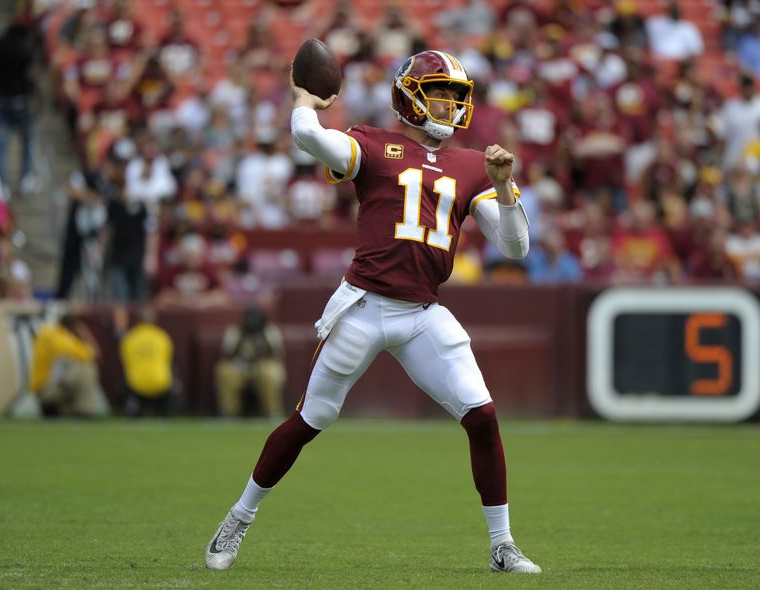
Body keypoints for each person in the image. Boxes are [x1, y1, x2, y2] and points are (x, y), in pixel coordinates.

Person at [204, 50, 540, 575]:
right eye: (440, 94)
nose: (450, 106)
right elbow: (309, 139)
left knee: (483, 416)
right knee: (311, 418)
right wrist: (303, 102)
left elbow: (515, 249)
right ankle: (239, 517)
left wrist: (501, 185)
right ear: (409, 95)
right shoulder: (376, 146)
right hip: (363, 304)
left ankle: (502, 545)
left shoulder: (474, 164)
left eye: (456, 97)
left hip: (423, 312)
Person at [0, 20, 38, 195]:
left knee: (1, 144)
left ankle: (1, 184)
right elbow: (30, 75)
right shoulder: (24, 49)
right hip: (19, 101)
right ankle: (26, 178)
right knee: (27, 141)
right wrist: (38, 96)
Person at [29, 311, 109, 418]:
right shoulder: (57, 337)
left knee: (76, 366)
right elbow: (93, 354)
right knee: (87, 367)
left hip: (45, 389)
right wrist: (85, 334)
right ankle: (83, 410)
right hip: (46, 391)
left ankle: (60, 408)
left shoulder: (48, 332)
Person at [215, 306, 286, 419]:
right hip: (240, 367)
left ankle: (273, 413)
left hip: (263, 365)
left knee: (271, 373)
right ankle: (229, 412)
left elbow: (277, 355)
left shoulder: (270, 331)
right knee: (224, 371)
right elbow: (226, 354)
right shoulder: (235, 331)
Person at [117, 306, 176, 418]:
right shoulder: (162, 337)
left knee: (123, 383)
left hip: (136, 386)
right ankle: (164, 413)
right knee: (172, 378)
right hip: (161, 385)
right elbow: (168, 361)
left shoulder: (130, 338)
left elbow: (125, 363)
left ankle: (132, 409)